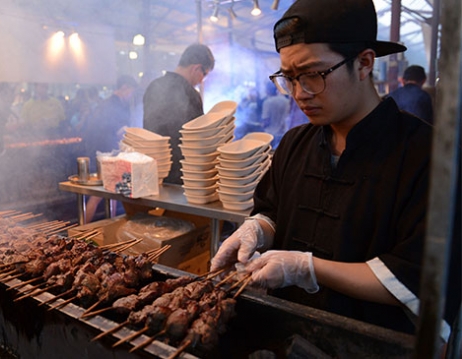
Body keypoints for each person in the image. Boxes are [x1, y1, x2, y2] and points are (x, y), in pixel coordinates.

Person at [210, 0, 459, 344]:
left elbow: (417, 278)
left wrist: (306, 268)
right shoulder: (296, 142)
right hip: (283, 334)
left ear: (364, 63)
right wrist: (257, 228)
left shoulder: (425, 154)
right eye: (289, 77)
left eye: (313, 74)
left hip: (367, 344)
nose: (299, 93)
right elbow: (273, 210)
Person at [142, 43, 215, 185]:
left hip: (153, 171)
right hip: (182, 175)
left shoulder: (154, 86)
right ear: (196, 68)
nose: (201, 81)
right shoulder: (191, 94)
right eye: (204, 75)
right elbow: (198, 138)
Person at [83, 75, 139, 223]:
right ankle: (81, 231)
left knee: (111, 191)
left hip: (103, 153)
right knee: (96, 196)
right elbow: (118, 130)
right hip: (105, 155)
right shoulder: (113, 105)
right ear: (124, 87)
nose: (131, 96)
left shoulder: (106, 103)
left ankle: (110, 225)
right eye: (131, 92)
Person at [261, 81, 290, 148]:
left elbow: (266, 121)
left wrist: (261, 126)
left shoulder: (267, 102)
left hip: (270, 136)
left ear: (268, 90)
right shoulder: (286, 101)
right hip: (283, 134)